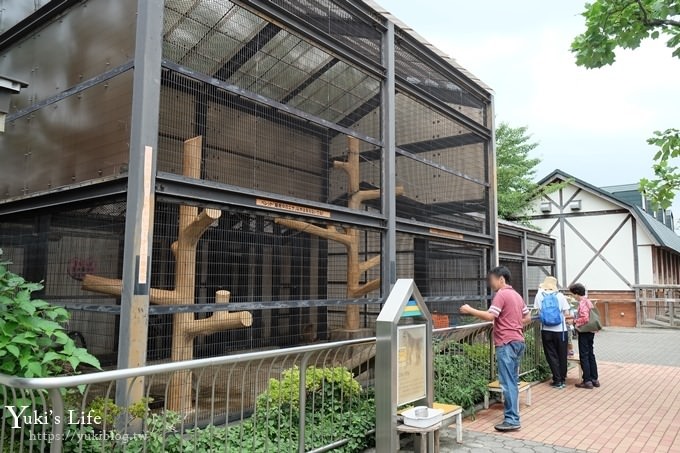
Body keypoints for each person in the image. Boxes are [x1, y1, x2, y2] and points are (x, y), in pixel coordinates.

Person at [461, 266, 531, 432]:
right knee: (512, 381)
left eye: (492, 279)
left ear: (501, 279)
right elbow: (527, 317)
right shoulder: (516, 295)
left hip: (506, 343)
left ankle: (512, 419)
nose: (490, 283)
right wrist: (514, 325)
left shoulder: (502, 294)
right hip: (517, 341)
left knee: (507, 383)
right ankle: (513, 416)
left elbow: (490, 316)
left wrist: (470, 310)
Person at [534, 276, 571, 389]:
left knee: (551, 355)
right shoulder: (560, 296)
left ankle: (557, 379)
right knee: (562, 354)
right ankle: (563, 379)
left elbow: (537, 311)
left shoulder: (539, 295)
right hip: (561, 330)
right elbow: (566, 312)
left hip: (546, 330)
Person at [569, 282, 600, 389]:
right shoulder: (589, 301)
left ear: (577, 293)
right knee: (591, 353)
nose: (573, 296)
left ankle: (587, 380)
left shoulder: (582, 303)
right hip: (591, 330)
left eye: (573, 294)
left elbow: (585, 318)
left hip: (584, 331)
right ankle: (594, 378)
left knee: (584, 355)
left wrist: (574, 321)